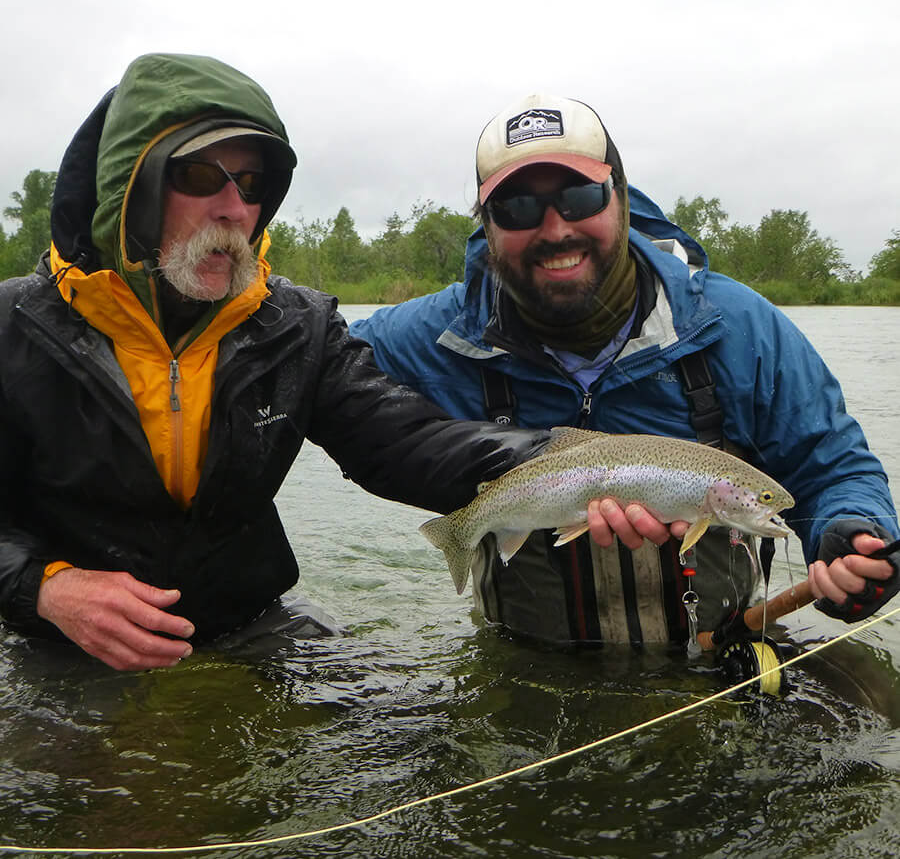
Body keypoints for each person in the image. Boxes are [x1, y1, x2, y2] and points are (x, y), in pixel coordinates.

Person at [0, 54, 552, 671]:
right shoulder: (13, 328)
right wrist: (46, 589)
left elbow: (407, 444)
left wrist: (574, 465)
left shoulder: (298, 326)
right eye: (202, 177)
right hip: (60, 646)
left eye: (253, 185)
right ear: (131, 186)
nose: (234, 208)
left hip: (254, 631)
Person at [351, 94, 899, 647]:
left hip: (716, 656)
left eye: (579, 196)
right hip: (526, 663)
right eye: (516, 207)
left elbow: (833, 467)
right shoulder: (433, 338)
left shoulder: (739, 328)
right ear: (487, 226)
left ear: (621, 197)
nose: (554, 228)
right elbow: (310, 362)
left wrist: (852, 533)